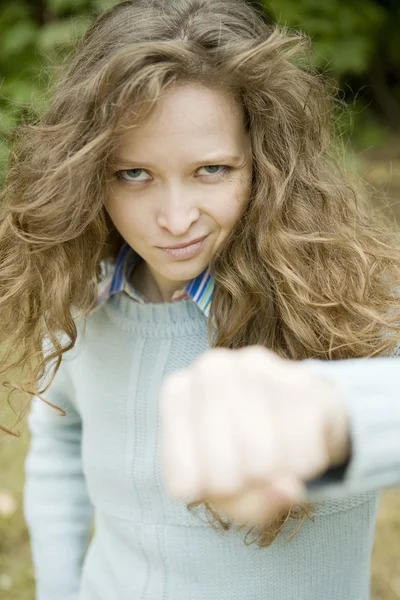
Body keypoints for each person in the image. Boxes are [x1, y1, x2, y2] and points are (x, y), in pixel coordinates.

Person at [1, 0, 400, 598]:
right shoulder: (83, 295)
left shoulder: (352, 297)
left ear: (269, 165)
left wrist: (336, 414)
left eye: (211, 169)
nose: (175, 218)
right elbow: (59, 437)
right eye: (133, 174)